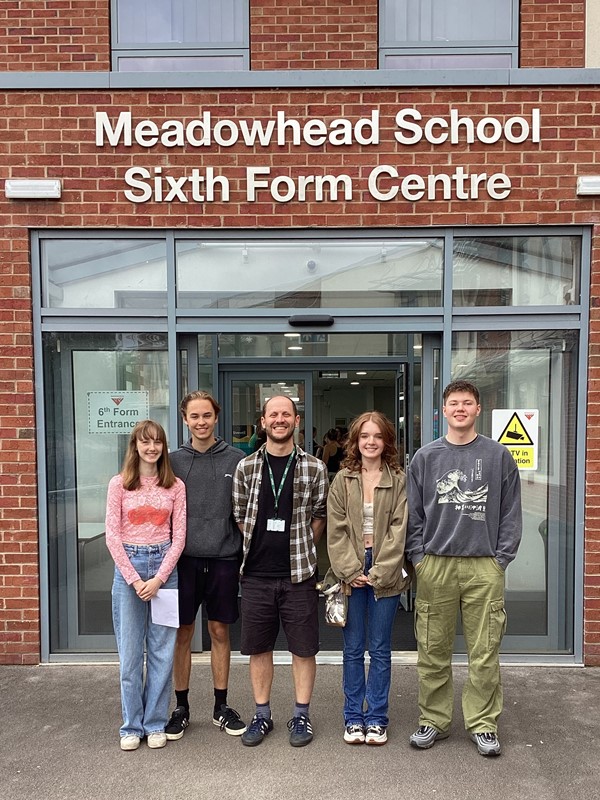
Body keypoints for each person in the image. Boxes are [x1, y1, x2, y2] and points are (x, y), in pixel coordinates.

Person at [406, 380, 522, 757]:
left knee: (484, 651)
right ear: (443, 411)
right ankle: (433, 721)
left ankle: (483, 723)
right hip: (435, 565)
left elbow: (510, 512)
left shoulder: (498, 456)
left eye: (467, 403)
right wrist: (419, 558)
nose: (460, 409)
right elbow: (413, 516)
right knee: (432, 649)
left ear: (477, 410)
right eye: (453, 403)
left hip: (483, 567)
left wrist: (500, 559)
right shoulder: (425, 457)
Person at [232, 395, 329, 748]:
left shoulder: (315, 468)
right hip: (256, 574)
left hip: (299, 575)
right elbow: (240, 515)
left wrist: (298, 544)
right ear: (263, 422)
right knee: (259, 649)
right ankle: (262, 715)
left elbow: (319, 516)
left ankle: (301, 715)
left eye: (285, 414)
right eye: (273, 414)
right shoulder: (246, 468)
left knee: (303, 650)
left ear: (296, 420)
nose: (279, 419)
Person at [165, 391, 246, 740]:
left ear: (216, 417)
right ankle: (181, 707)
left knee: (219, 633)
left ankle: (220, 706)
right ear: (185, 419)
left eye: (207, 416)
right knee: (182, 634)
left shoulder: (237, 459)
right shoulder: (172, 462)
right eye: (194, 416)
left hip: (224, 558)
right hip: (182, 561)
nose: (201, 422)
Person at [327, 411, 410, 746]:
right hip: (349, 567)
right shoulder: (343, 479)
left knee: (379, 649)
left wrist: (377, 571)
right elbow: (335, 529)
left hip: (384, 570)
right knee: (351, 649)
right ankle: (353, 717)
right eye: (364, 436)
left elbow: (399, 529)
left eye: (377, 436)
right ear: (355, 441)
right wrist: (352, 569)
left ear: (386, 440)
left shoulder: (399, 480)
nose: (371, 442)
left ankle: (376, 717)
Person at [105, 419, 186, 751]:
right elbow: (112, 536)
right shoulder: (119, 485)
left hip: (165, 572)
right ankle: (131, 726)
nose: (151, 448)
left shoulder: (175, 486)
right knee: (129, 655)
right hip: (129, 573)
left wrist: (159, 579)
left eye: (157, 442)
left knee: (162, 653)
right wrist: (136, 579)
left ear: (163, 447)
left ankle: (154, 723)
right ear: (134, 446)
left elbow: (179, 537)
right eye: (145, 442)